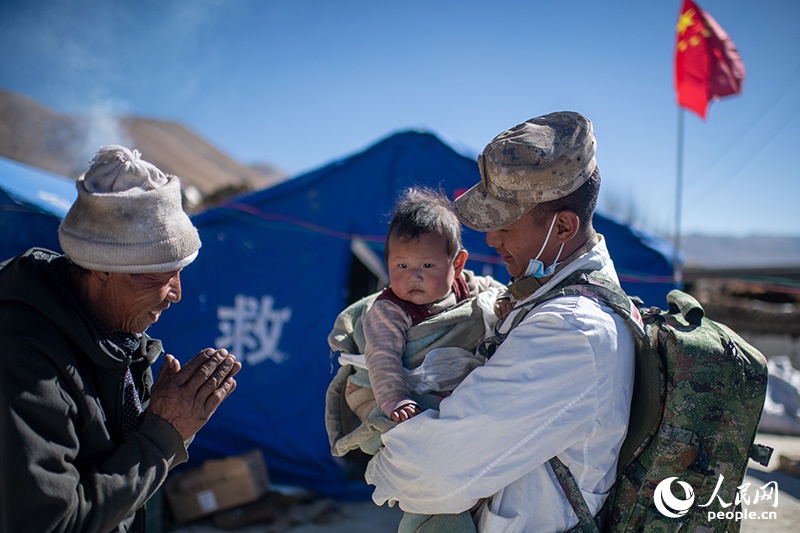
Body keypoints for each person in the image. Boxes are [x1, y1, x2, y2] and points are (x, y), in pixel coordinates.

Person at [364, 111, 636, 532]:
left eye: (504, 224)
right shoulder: (541, 296)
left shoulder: (573, 330)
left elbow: (429, 472)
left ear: (563, 225)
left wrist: (381, 435)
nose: (491, 239)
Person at [0, 146, 242, 532]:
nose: (176, 292)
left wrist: (168, 424)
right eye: (159, 275)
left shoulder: (121, 339)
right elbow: (54, 523)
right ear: (102, 270)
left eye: (179, 271)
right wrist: (164, 433)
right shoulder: (24, 357)